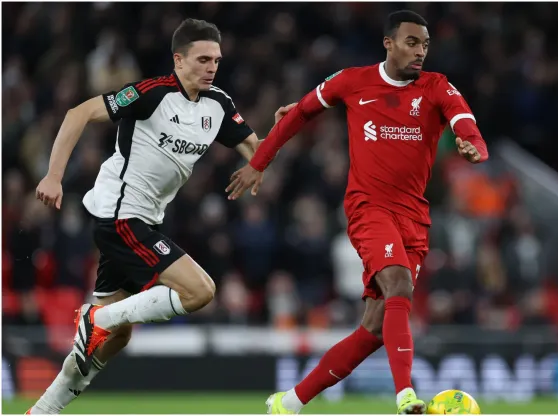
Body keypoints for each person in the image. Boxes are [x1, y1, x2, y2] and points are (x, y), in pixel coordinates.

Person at [228, 10, 489, 415]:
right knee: (399, 285)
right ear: (388, 43)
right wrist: (259, 162)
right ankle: (406, 396)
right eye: (411, 42)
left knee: (372, 329)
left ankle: (288, 402)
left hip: (414, 217)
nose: (420, 52)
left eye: (424, 44)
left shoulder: (436, 87)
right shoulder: (352, 81)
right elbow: (299, 114)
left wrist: (473, 145)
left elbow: (464, 120)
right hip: (369, 208)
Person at [29, 18, 293, 414]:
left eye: (217, 61)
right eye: (203, 59)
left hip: (143, 221)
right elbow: (77, 113)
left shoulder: (218, 105)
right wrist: (53, 175)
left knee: (116, 338)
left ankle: (43, 408)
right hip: (120, 215)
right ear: (179, 60)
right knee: (200, 291)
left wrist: (284, 130)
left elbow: (260, 153)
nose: (211, 68)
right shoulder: (151, 93)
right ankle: (96, 317)